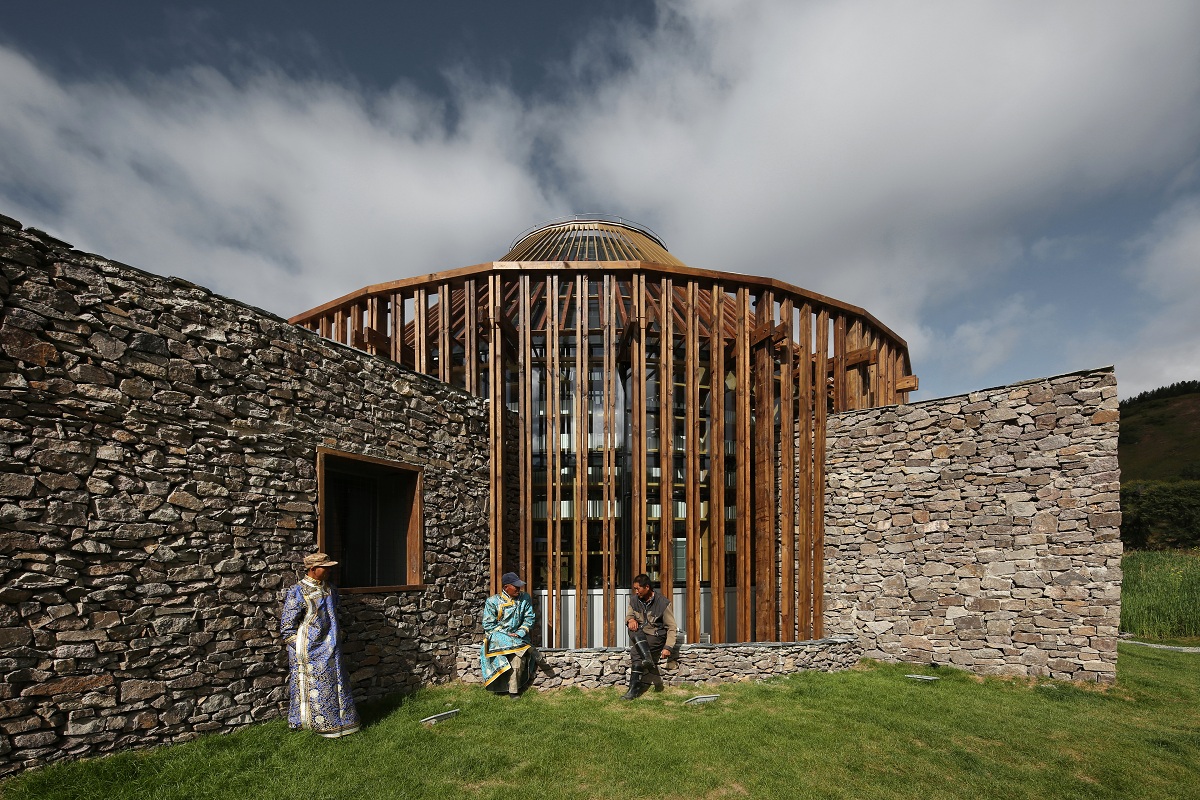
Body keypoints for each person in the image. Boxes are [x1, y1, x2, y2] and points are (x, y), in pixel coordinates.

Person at [280, 552, 360, 737]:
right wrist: (303, 650)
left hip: (333, 649)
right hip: (309, 652)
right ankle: (313, 726)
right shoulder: (298, 592)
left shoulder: (330, 589)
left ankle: (343, 725)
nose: (330, 571)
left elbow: (335, 614)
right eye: (326, 567)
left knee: (338, 685)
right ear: (313, 569)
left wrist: (339, 635)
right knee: (315, 689)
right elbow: (287, 627)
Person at [480, 571, 538, 698]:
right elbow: (488, 625)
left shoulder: (525, 598)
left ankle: (513, 691)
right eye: (515, 586)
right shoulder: (492, 601)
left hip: (519, 637)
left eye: (519, 586)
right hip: (498, 638)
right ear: (506, 587)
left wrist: (519, 632)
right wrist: (507, 635)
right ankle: (529, 650)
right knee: (516, 647)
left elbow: (529, 619)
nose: (519, 589)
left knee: (518, 658)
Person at [622, 573, 678, 700]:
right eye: (634, 589)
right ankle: (646, 657)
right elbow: (629, 615)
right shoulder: (633, 600)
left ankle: (633, 689)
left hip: (656, 635)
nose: (636, 592)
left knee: (636, 652)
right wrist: (630, 620)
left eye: (638, 589)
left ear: (647, 587)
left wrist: (668, 647)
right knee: (632, 628)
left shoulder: (663, 603)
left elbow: (671, 627)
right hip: (639, 633)